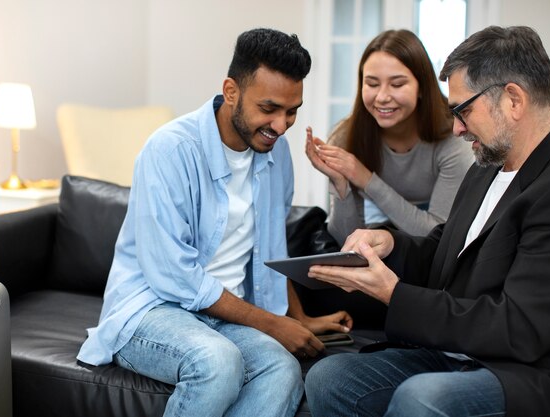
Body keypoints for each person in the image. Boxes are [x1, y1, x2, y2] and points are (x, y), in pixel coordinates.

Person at [77, 28, 352, 417]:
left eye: (292, 111)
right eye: (269, 108)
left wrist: (298, 317)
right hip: (152, 311)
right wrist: (272, 324)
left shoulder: (278, 155)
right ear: (232, 91)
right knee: (218, 362)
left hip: (224, 317)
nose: (281, 124)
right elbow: (174, 275)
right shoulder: (170, 150)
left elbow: (271, 248)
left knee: (281, 369)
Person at [304, 25, 550, 417]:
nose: (457, 128)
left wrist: (395, 294)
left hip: (522, 371)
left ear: (513, 99)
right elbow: (443, 253)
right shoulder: (486, 168)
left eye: (464, 110)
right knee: (330, 378)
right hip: (455, 352)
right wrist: (390, 244)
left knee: (424, 398)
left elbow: (519, 328)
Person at [306, 29, 474, 245]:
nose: (382, 97)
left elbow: (438, 235)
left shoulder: (454, 137)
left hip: (436, 253)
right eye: (372, 84)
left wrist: (366, 179)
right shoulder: (346, 138)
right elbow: (344, 242)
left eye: (397, 84)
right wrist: (341, 186)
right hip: (378, 242)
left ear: (422, 87)